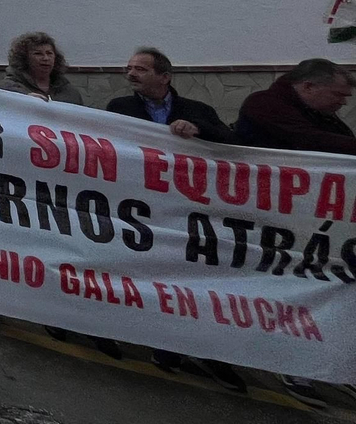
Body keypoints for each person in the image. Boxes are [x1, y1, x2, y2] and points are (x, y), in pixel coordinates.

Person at [104, 47, 244, 389]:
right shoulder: (119, 108)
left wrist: (197, 131)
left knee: (180, 275)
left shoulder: (196, 109)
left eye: (140, 69)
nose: (131, 73)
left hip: (184, 208)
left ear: (164, 77)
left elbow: (230, 142)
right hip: (137, 207)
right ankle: (140, 337)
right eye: (129, 67)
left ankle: (179, 347)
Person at [235, 58, 356, 407]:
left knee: (326, 291)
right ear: (308, 87)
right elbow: (311, 144)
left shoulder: (318, 113)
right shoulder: (265, 105)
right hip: (274, 225)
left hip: (315, 224)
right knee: (291, 292)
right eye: (338, 95)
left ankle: (324, 367)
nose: (342, 103)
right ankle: (294, 366)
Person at [0, 32, 85, 103]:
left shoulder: (69, 91)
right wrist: (24, 100)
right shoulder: (8, 89)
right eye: (38, 54)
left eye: (49, 53)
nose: (45, 58)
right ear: (24, 58)